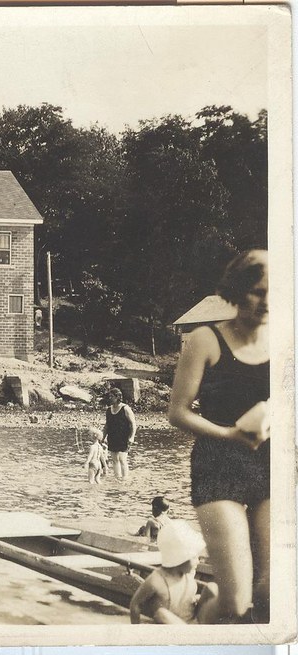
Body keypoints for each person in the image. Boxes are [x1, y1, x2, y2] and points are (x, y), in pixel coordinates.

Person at [168, 249, 269, 624]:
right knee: (236, 601)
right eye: (257, 291)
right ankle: (196, 628)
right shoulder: (205, 340)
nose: (267, 301)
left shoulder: (284, 341)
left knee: (272, 591)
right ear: (237, 292)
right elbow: (177, 413)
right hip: (218, 465)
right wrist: (230, 434)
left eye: (275, 290)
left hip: (271, 466)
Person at [129, 519, 218, 624]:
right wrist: (136, 629)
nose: (198, 561)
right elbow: (135, 604)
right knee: (161, 614)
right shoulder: (157, 580)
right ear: (180, 558)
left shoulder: (187, 575)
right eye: (194, 557)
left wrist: (196, 599)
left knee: (212, 588)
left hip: (191, 623)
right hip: (173, 631)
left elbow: (184, 602)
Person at [103, 387, 136, 479]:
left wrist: (132, 437)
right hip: (113, 437)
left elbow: (133, 424)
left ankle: (125, 478)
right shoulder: (109, 410)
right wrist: (102, 437)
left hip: (124, 437)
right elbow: (107, 426)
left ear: (117, 397)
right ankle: (117, 478)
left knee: (122, 459)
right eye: (109, 396)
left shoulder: (125, 408)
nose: (110, 398)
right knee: (114, 460)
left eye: (112, 396)